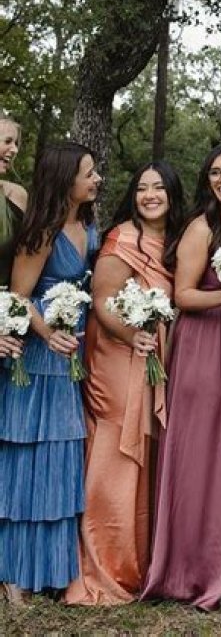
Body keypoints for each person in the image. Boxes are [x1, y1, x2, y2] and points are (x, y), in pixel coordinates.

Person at [142, 145, 221, 610]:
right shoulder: (199, 226)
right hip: (202, 346)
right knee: (199, 456)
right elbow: (182, 296)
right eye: (215, 172)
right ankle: (186, 569)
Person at [66, 162, 186, 605]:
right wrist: (132, 334)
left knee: (144, 454)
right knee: (117, 450)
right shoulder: (122, 238)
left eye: (158, 187)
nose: (150, 195)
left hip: (153, 358)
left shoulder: (174, 242)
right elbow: (102, 301)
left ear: (172, 192)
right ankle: (102, 564)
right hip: (117, 356)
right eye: (142, 188)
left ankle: (139, 562)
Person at [0, 142, 100, 602]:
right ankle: (13, 574)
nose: (96, 179)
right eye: (88, 173)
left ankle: (54, 573)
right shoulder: (42, 231)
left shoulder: (88, 225)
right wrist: (45, 333)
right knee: (28, 457)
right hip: (37, 358)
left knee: (60, 457)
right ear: (66, 179)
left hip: (72, 356)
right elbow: (18, 297)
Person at [0, 115, 27, 361]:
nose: (14, 149)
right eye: (8, 141)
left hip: (10, 326)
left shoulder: (17, 196)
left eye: (16, 143)